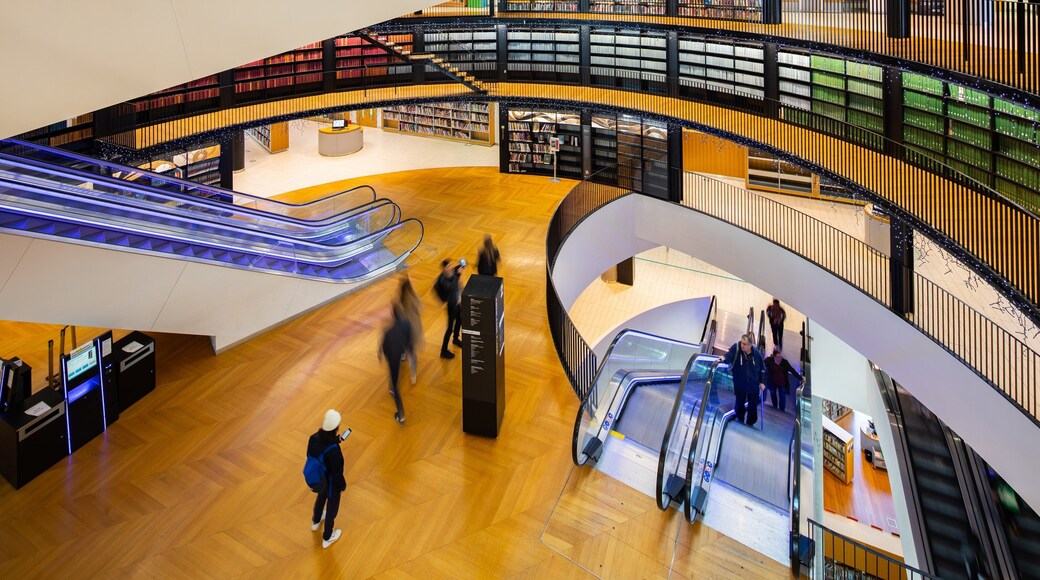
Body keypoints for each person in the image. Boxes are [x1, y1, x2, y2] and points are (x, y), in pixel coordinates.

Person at [308, 409, 346, 549]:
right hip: (331, 483)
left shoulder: (313, 438)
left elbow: (315, 453)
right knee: (332, 506)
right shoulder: (333, 450)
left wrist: (337, 440)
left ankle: (316, 521)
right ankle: (328, 536)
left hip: (320, 479)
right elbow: (336, 473)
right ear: (335, 428)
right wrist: (342, 486)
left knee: (321, 497)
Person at [379, 303, 415, 425]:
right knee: (394, 373)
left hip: (392, 358)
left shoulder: (388, 331)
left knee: (396, 385)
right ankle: (391, 387)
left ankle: (401, 415)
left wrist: (381, 355)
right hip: (399, 354)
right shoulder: (407, 324)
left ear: (393, 315)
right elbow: (409, 343)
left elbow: (383, 347)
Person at [723, 333, 766, 426]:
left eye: (745, 344)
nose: (742, 345)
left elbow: (762, 369)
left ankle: (751, 422)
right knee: (740, 401)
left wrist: (761, 382)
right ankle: (740, 419)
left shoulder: (756, 354)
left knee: (753, 404)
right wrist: (724, 358)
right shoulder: (737, 348)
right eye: (742, 343)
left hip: (753, 383)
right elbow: (729, 355)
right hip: (740, 381)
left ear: (750, 345)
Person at [436, 258, 466, 359]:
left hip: (458, 302)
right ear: (444, 269)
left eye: (451, 265)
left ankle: (456, 339)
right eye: (448, 266)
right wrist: (458, 274)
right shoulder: (442, 280)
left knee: (459, 320)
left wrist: (462, 263)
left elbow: (461, 266)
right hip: (451, 305)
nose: (451, 267)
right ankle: (443, 351)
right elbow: (451, 287)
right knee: (449, 328)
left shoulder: (453, 271)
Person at [397, 276, 422, 384]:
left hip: (403, 329)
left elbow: (396, 315)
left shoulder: (399, 300)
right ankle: (413, 375)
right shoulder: (414, 298)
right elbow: (420, 307)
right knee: (412, 352)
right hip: (413, 328)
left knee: (403, 345)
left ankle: (402, 355)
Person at [765, 348, 802, 413]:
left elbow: (792, 370)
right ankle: (775, 408)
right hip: (772, 382)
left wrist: (800, 378)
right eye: (778, 357)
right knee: (773, 394)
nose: (780, 359)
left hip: (782, 382)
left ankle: (781, 411)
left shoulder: (785, 362)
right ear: (774, 357)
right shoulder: (769, 361)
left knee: (782, 397)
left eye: (781, 357)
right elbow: (763, 362)